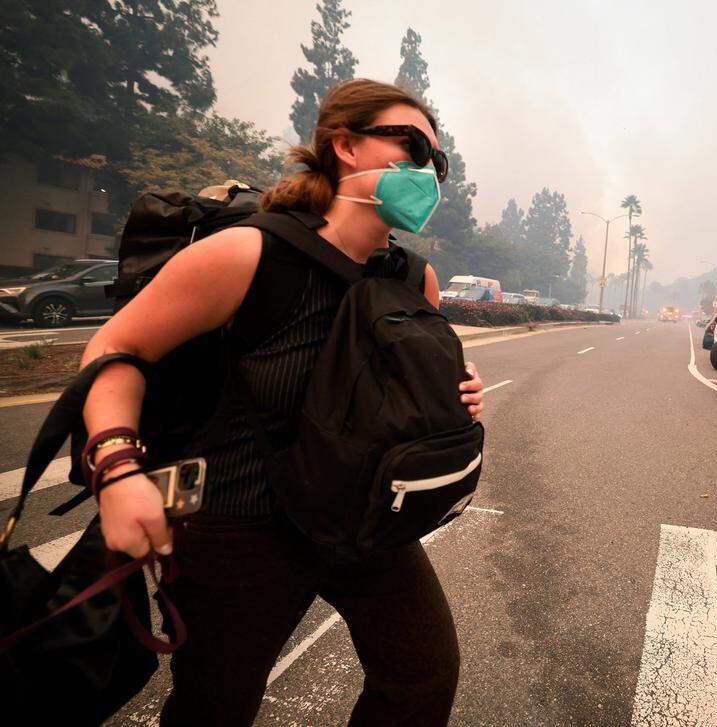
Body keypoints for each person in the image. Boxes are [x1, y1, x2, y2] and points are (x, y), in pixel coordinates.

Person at [80, 79, 485, 726]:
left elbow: (399, 388)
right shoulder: (250, 253)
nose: (427, 170)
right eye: (410, 145)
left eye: (437, 160)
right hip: (241, 527)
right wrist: (117, 468)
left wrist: (453, 393)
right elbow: (115, 347)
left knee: (423, 676)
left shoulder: (414, 278)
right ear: (344, 144)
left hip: (361, 512)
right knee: (216, 708)